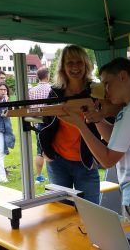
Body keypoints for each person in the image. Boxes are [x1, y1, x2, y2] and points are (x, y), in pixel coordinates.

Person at [60, 57, 130, 233]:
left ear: (123, 76)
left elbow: (108, 160)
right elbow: (118, 137)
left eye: (107, 83)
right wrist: (97, 119)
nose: (106, 91)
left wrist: (81, 125)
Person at [38, 45, 101, 204]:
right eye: (70, 62)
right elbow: (44, 124)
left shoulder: (95, 91)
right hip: (58, 162)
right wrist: (45, 151)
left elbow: (108, 123)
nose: (75, 67)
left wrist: (99, 156)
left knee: (91, 214)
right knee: (61, 214)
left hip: (86, 163)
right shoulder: (55, 92)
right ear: (63, 67)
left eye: (79, 62)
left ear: (86, 64)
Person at [28, 67, 51, 183]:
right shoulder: (51, 89)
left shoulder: (31, 90)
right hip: (51, 123)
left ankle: (39, 176)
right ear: (47, 76)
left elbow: (28, 108)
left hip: (37, 123)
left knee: (40, 150)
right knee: (51, 150)